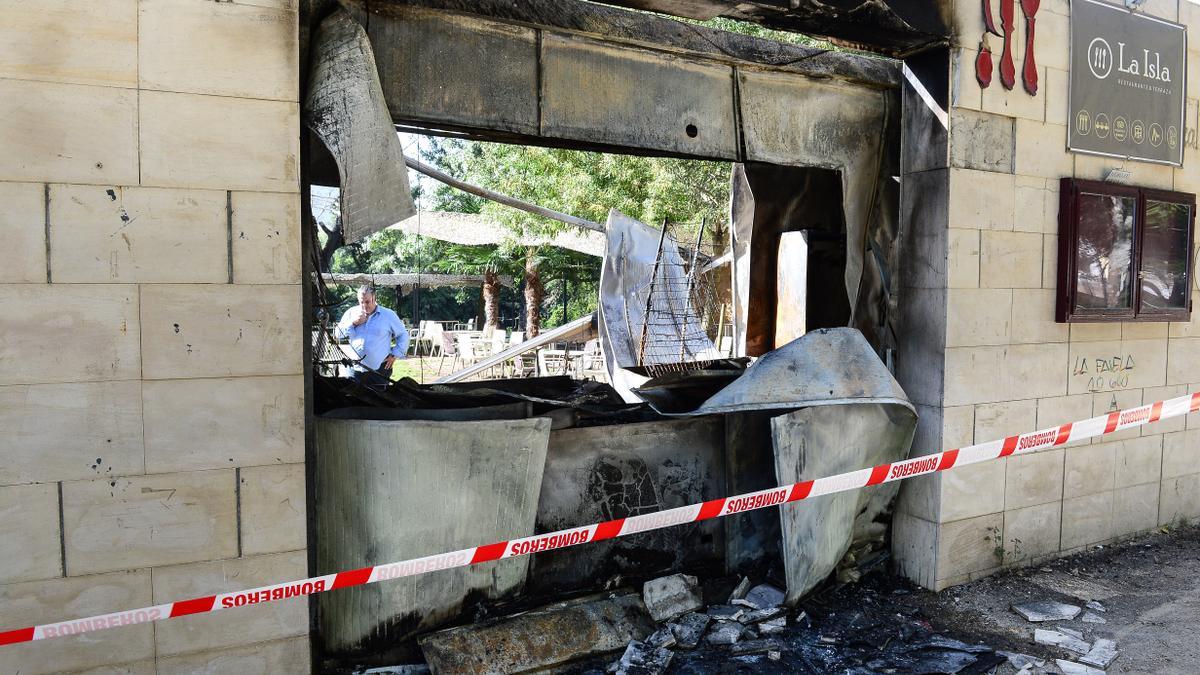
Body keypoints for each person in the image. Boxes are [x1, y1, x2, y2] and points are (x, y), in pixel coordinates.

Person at [335, 285, 410, 391]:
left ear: (375, 298)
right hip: (353, 369)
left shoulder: (388, 315)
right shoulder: (351, 313)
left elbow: (403, 335)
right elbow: (337, 333)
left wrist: (395, 354)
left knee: (378, 403)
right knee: (352, 401)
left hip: (379, 371)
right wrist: (353, 323)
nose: (364, 306)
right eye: (361, 302)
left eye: (367, 302)